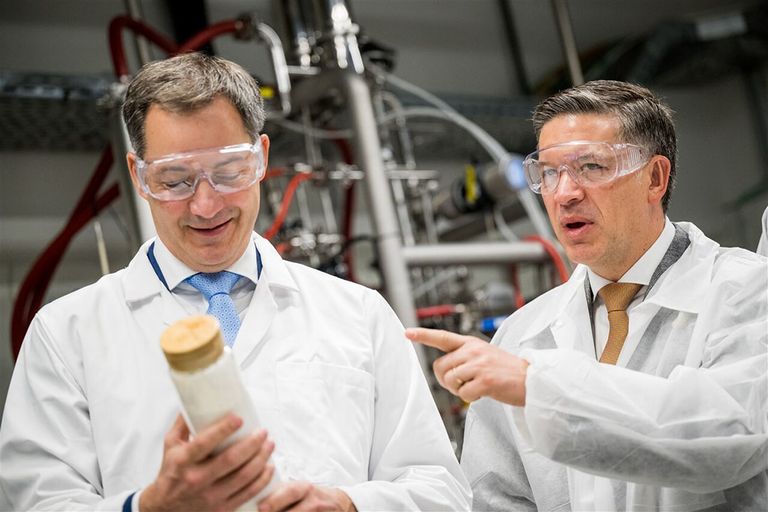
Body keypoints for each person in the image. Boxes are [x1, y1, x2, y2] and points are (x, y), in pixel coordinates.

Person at [0, 53, 471, 512]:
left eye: (229, 172)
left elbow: (442, 490)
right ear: (138, 176)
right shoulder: (67, 333)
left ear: (262, 158)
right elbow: (38, 500)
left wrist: (349, 504)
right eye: (174, 180)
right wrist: (150, 508)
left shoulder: (358, 314)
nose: (206, 205)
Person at [408, 80, 768, 511]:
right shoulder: (522, 334)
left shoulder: (747, 290)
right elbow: (495, 497)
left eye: (592, 167)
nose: (564, 193)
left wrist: (536, 387)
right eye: (549, 172)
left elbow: (730, 438)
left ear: (655, 178)